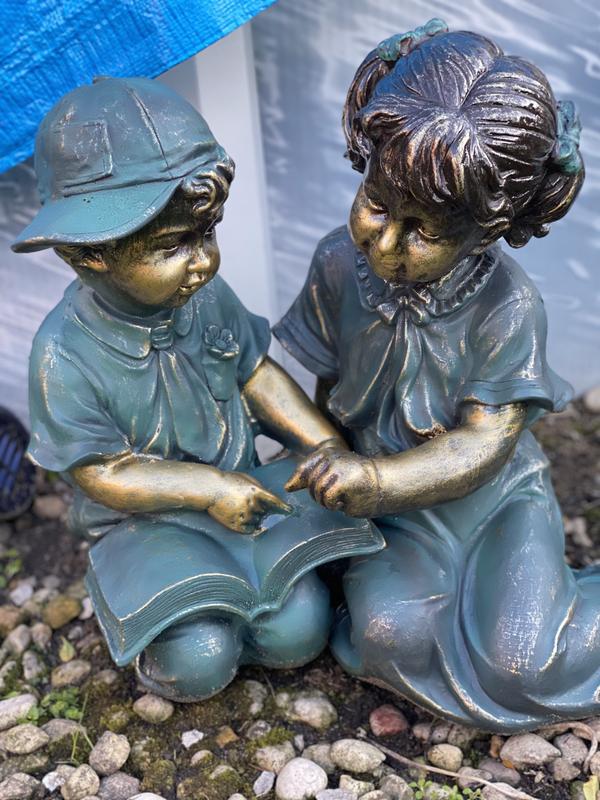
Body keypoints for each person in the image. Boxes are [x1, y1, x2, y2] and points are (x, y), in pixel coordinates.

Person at [275, 21, 600, 731]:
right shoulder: (338, 263)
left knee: (523, 658)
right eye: (376, 204)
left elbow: (483, 445)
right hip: (389, 509)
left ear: (485, 232)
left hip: (490, 501)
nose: (383, 242)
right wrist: (328, 463)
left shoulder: (507, 306)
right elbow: (326, 391)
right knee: (389, 635)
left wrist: (378, 483)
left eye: (422, 231)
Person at [12, 76, 358, 702]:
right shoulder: (62, 353)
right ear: (87, 254)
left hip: (242, 503)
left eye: (208, 234)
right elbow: (100, 473)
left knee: (298, 630)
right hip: (148, 524)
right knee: (199, 658)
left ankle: (245, 607)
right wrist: (207, 488)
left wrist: (322, 441)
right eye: (171, 246)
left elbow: (256, 375)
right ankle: (165, 636)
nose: (201, 262)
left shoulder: (205, 299)